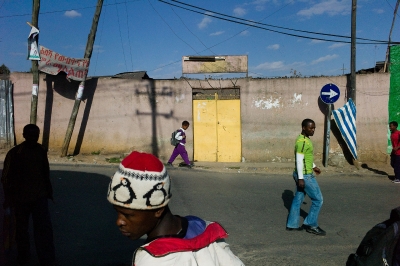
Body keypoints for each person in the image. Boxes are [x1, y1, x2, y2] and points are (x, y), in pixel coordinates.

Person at [107, 151, 244, 265]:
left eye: (128, 215)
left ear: (158, 210)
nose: (119, 222)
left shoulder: (153, 261)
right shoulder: (203, 229)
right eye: (117, 212)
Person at [1, 124, 56, 266]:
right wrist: (8, 197)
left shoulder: (41, 150)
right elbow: (5, 177)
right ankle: (23, 258)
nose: (33, 138)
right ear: (24, 135)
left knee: (43, 230)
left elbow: (45, 171)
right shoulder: (15, 153)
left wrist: (48, 191)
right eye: (30, 135)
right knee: (21, 231)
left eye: (36, 135)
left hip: (40, 197)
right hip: (21, 199)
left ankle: (46, 259)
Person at [286, 119, 325, 236]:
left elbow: (305, 158)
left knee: (298, 199)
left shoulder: (305, 140)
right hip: (305, 175)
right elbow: (299, 160)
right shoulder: (302, 142)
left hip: (304, 173)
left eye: (314, 128)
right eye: (310, 128)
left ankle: (292, 224)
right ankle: (311, 224)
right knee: (318, 200)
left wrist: (314, 166)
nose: (313, 130)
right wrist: (301, 178)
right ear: (304, 128)